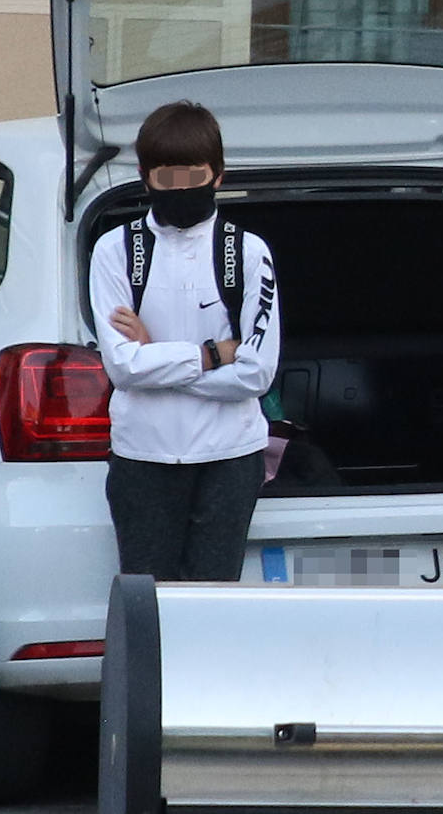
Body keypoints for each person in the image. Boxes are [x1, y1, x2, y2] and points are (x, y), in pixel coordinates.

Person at [88, 101, 280, 581]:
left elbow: (256, 374)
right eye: (166, 178)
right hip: (142, 456)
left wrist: (155, 356)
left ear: (218, 176)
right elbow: (123, 368)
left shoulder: (248, 251)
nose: (179, 189)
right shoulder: (113, 250)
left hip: (230, 458)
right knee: (147, 600)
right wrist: (212, 354)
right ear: (144, 178)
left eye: (192, 176)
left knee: (213, 604)